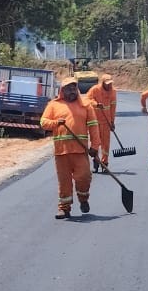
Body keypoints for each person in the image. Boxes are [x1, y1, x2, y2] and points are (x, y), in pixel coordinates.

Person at [39, 76, 102, 219]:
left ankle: (83, 199)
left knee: (84, 177)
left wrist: (95, 146)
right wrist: (56, 122)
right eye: (68, 88)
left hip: (80, 151)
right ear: (63, 90)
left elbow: (93, 127)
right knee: (64, 182)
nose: (72, 91)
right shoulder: (54, 105)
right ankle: (64, 208)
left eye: (74, 88)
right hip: (62, 152)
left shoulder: (86, 105)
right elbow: (43, 122)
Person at [86, 73, 118, 172]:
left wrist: (112, 122)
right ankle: (96, 162)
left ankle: (105, 163)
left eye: (110, 83)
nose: (109, 85)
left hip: (106, 122)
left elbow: (113, 108)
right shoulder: (95, 89)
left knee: (106, 144)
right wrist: (96, 104)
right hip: (95, 121)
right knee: (95, 143)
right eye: (107, 84)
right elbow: (87, 100)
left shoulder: (113, 92)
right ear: (102, 83)